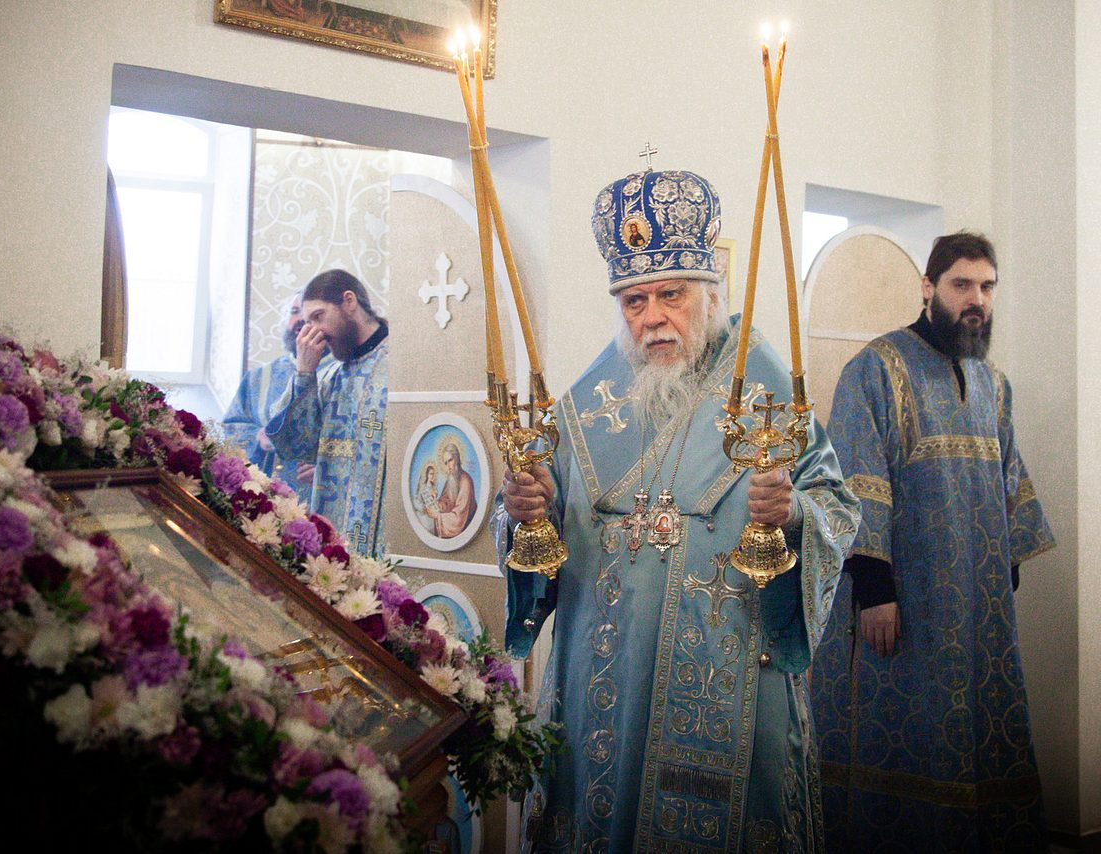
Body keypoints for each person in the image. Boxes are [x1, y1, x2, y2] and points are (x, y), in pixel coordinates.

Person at [497, 167, 860, 851]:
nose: (653, 316)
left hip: (729, 679)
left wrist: (792, 517)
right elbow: (539, 528)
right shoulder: (587, 406)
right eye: (635, 300)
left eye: (671, 294)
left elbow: (836, 508)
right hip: (603, 681)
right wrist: (523, 514)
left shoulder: (767, 393)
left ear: (710, 294)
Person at [810, 232, 1055, 851]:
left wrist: (1003, 579)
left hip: (977, 608)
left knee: (975, 739)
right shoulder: (876, 368)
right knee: (903, 740)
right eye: (961, 285)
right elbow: (857, 482)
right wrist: (874, 590)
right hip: (903, 603)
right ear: (928, 287)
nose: (977, 300)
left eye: (987, 287)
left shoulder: (992, 381)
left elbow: (1008, 483)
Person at [266, 269, 389, 555]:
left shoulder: (402, 366)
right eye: (307, 322)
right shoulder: (326, 379)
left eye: (318, 316)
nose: (314, 331)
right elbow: (293, 446)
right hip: (335, 546)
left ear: (349, 301)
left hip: (389, 538)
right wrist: (303, 374)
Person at [221, 292, 330, 494]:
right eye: (294, 311)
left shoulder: (340, 373)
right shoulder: (258, 377)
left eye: (309, 314)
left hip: (314, 496)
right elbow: (231, 427)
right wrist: (257, 437)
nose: (300, 319)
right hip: (261, 497)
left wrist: (327, 466)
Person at [429, 441, 476, 539]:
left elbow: (459, 517)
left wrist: (437, 516)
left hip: (465, 530)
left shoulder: (465, 481)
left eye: (450, 460)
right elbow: (446, 501)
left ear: (457, 459)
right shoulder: (451, 480)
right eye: (446, 463)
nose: (448, 466)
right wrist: (437, 504)